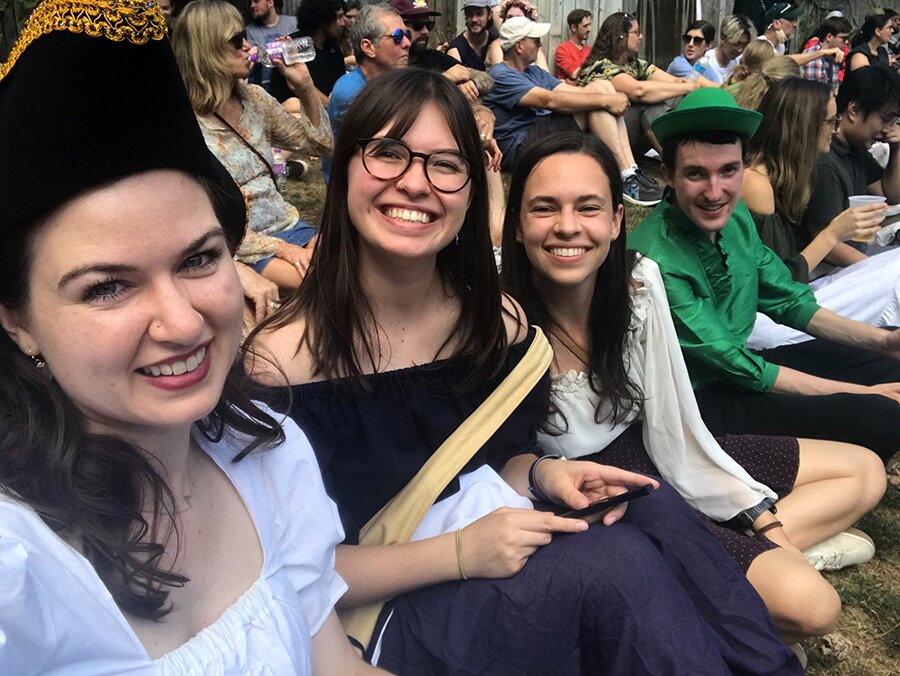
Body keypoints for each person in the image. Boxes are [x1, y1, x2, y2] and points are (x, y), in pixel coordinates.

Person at [248, 67, 803, 675]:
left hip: (490, 532)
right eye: (387, 153)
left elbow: (493, 461)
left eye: (444, 163)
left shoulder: (494, 321)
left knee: (649, 503)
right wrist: (459, 553)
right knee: (612, 565)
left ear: (472, 183)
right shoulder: (279, 364)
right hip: (379, 612)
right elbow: (285, 579)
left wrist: (545, 474)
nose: (415, 183)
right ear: (345, 166)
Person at [0, 0, 384, 672]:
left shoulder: (266, 452)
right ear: (17, 318)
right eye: (107, 287)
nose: (181, 323)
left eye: (199, 259)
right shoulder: (17, 566)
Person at [499, 131, 885, 641]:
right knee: (812, 607)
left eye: (588, 207)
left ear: (617, 221)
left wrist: (757, 520)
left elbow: (675, 424)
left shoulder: (639, 282)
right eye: (545, 208)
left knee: (866, 470)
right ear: (518, 225)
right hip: (604, 503)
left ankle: (757, 559)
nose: (568, 226)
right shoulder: (502, 318)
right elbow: (497, 467)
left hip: (663, 455)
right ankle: (759, 579)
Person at [628, 88, 900, 461]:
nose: (715, 191)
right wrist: (854, 392)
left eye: (728, 170)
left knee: (885, 360)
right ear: (668, 175)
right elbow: (736, 366)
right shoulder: (653, 259)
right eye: (696, 174)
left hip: (743, 365)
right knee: (880, 412)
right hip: (697, 402)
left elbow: (787, 298)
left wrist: (882, 342)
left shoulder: (736, 216)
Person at [172, 0, 332, 296]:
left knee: (350, 267)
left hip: (289, 223)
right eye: (236, 40)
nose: (247, 46)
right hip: (242, 244)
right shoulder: (186, 126)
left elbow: (320, 146)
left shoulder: (254, 99)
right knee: (324, 286)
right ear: (206, 49)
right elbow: (204, 220)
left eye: (243, 37)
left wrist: (306, 87)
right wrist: (282, 249)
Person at [742, 77, 900, 350]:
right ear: (803, 125)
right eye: (829, 121)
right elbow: (779, 283)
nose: (835, 128)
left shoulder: (782, 176)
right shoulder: (757, 184)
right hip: (763, 322)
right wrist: (833, 233)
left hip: (788, 302)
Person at [483, 16, 663, 206]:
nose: (540, 44)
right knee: (598, 101)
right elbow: (548, 100)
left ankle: (630, 170)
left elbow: (576, 92)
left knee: (600, 86)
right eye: (535, 41)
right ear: (519, 46)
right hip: (521, 146)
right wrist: (605, 100)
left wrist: (607, 93)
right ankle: (626, 177)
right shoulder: (500, 75)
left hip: (542, 131)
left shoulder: (534, 72)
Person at [803, 65, 900, 269]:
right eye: (886, 118)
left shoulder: (856, 149)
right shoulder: (825, 161)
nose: (888, 129)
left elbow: (889, 193)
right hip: (827, 275)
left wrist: (897, 148)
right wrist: (874, 271)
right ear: (854, 110)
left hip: (856, 258)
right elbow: (825, 240)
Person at [575, 12, 712, 156]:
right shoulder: (600, 66)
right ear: (621, 35)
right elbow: (639, 91)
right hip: (599, 142)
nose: (641, 37)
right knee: (648, 103)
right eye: (636, 32)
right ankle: (674, 159)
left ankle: (691, 149)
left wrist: (690, 88)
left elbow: (674, 81)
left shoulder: (635, 64)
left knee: (677, 96)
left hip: (629, 140)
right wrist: (687, 87)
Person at [324, 3, 411, 181]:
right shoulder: (351, 91)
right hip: (351, 184)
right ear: (368, 47)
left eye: (407, 35)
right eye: (397, 36)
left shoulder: (390, 81)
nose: (408, 43)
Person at [756, 3, 845, 69]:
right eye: (791, 19)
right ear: (776, 23)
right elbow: (781, 61)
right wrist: (822, 52)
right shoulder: (760, 44)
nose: (795, 25)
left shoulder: (780, 47)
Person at [296, 0, 349, 106]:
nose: (344, 23)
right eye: (339, 17)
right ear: (325, 18)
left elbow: (341, 83)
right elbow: (299, 87)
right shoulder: (295, 46)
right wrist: (333, 108)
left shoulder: (333, 47)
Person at [245, 0, 299, 99]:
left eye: (256, 1)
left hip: (292, 85)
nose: (252, 6)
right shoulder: (250, 30)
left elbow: (297, 53)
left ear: (270, 2)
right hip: (266, 90)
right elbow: (252, 61)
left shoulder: (293, 23)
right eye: (251, 3)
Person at [485, 0, 550, 71]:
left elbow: (545, 74)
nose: (513, 21)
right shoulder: (498, 45)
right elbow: (505, 76)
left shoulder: (535, 49)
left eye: (518, 18)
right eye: (509, 17)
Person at [695, 14, 756, 84]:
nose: (740, 50)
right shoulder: (704, 61)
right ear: (723, 38)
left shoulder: (740, 63)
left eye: (744, 46)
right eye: (736, 44)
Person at [799, 14, 851, 93]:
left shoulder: (836, 55)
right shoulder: (814, 57)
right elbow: (816, 94)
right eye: (844, 39)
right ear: (829, 37)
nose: (847, 42)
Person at [447, 0, 498, 71]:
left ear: (489, 15)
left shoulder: (496, 43)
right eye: (470, 14)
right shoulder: (456, 50)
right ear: (465, 17)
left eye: (479, 14)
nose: (474, 19)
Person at [554, 8, 592, 84]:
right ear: (573, 28)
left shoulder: (589, 50)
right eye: (585, 26)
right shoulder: (562, 49)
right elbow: (574, 74)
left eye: (589, 25)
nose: (589, 29)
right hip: (570, 93)